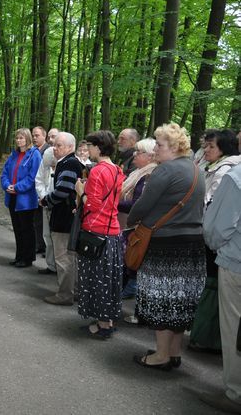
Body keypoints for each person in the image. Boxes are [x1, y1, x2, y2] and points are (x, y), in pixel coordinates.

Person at [128, 122, 205, 370]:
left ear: (173, 147)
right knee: (180, 300)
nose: (155, 150)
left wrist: (130, 222)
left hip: (165, 244)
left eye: (159, 145)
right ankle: (173, 352)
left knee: (159, 298)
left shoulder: (165, 170)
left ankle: (160, 355)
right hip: (192, 245)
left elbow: (143, 205)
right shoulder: (196, 170)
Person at [190, 129, 241, 353]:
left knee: (232, 322)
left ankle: (233, 386)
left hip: (231, 255)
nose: (207, 150)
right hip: (228, 251)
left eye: (211, 146)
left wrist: (212, 241)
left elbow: (220, 223)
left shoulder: (230, 173)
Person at [74, 131, 124, 339]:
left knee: (96, 279)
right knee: (109, 278)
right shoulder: (117, 170)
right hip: (112, 230)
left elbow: (92, 205)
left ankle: (103, 325)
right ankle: (108, 320)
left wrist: (81, 191)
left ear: (98, 147)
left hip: (96, 231)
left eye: (91, 146)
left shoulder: (97, 171)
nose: (89, 150)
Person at [200, 163, 241, 413]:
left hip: (236, 264)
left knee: (235, 329)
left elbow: (217, 227)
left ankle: (236, 392)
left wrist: (214, 245)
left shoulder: (236, 176)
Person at [41, 132, 82, 306]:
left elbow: (62, 191)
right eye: (54, 145)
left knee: (63, 257)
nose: (55, 148)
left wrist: (45, 200)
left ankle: (65, 294)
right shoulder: (69, 162)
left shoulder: (69, 163)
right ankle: (75, 291)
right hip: (67, 215)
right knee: (70, 257)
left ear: (70, 147)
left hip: (64, 217)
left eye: (59, 145)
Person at [117, 138, 157, 303]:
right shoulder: (137, 172)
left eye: (139, 152)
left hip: (133, 225)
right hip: (126, 222)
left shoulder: (148, 174)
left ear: (150, 156)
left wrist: (112, 202)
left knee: (131, 258)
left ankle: (130, 287)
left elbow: (137, 204)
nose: (134, 155)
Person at [0, 128, 41, 267]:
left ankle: (27, 258)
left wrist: (17, 187)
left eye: (21, 138)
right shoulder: (14, 155)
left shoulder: (34, 155)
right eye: (17, 138)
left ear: (28, 139)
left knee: (26, 229)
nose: (19, 140)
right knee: (17, 228)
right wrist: (7, 185)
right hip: (12, 197)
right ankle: (19, 256)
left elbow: (33, 177)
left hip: (25, 199)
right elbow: (4, 173)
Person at [35, 144, 57, 274]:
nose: (51, 168)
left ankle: (58, 266)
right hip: (45, 204)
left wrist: (49, 200)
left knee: (57, 238)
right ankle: (51, 265)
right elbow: (39, 181)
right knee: (47, 235)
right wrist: (43, 197)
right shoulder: (44, 163)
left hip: (56, 206)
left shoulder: (64, 165)